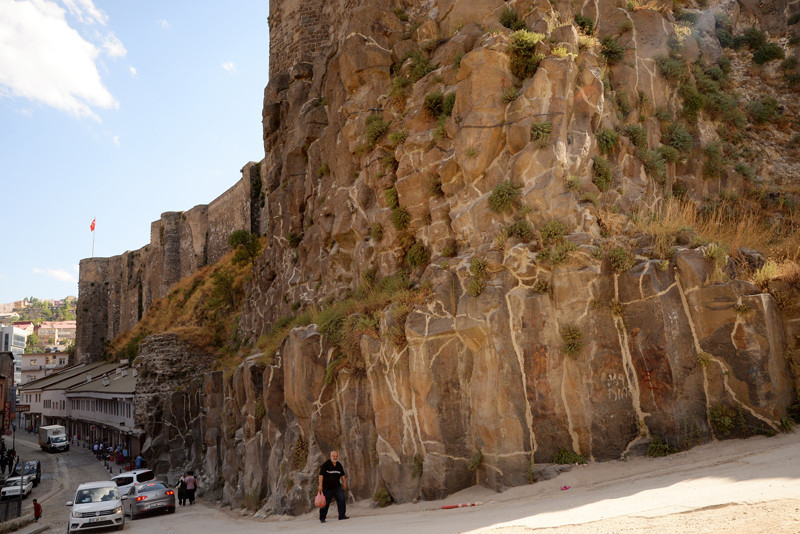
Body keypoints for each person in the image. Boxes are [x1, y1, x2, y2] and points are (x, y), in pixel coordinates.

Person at [318, 450, 348, 523]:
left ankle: (342, 516)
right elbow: (321, 475)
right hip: (327, 488)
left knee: (342, 499)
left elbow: (342, 475)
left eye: (336, 456)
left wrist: (344, 483)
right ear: (330, 456)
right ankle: (322, 518)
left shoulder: (339, 465)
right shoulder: (326, 464)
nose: (335, 457)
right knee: (325, 503)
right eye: (334, 456)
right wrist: (320, 485)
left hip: (337, 487)